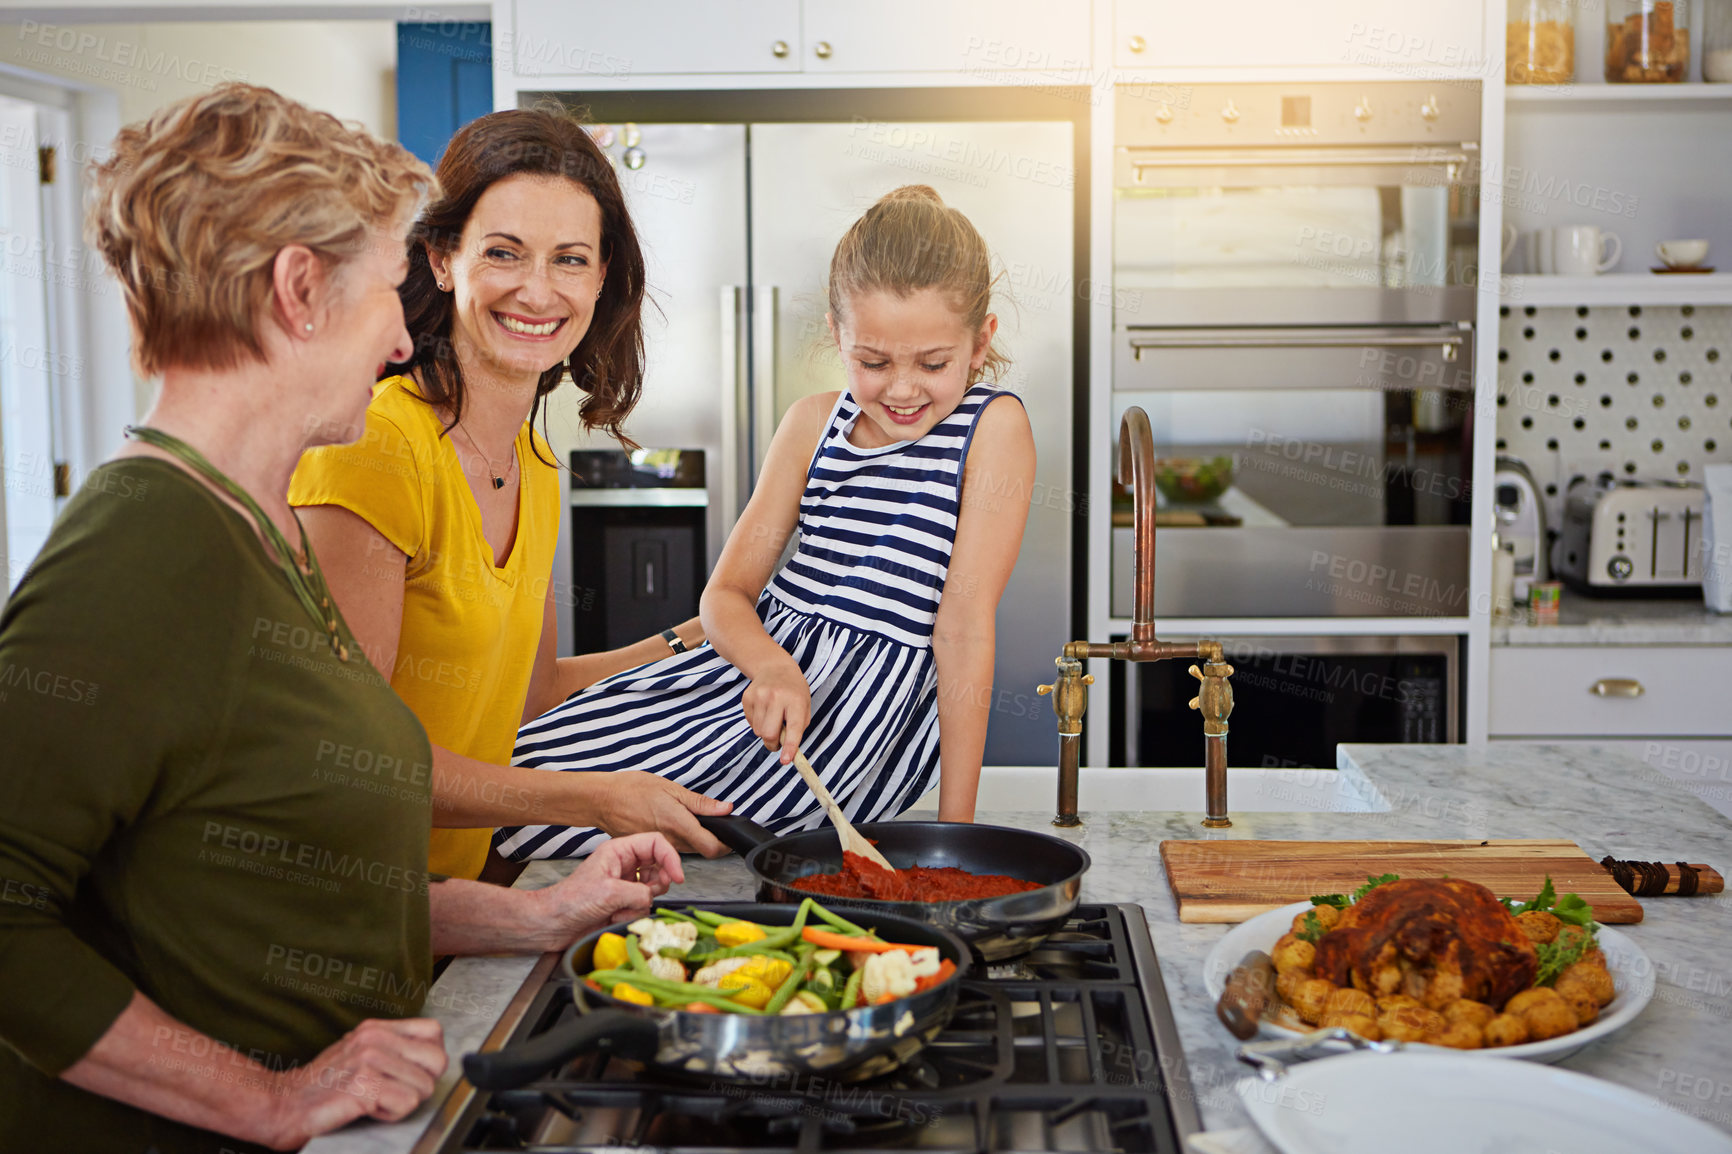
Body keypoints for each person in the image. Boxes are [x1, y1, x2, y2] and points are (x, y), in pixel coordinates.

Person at [0, 84, 682, 1154]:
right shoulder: (145, 538)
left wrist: (539, 914)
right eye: (389, 288)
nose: (403, 340)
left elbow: (305, 874)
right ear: (300, 288)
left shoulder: (255, 527)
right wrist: (265, 1099)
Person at [498, 185, 1037, 861]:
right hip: (749, 685)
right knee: (526, 776)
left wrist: (955, 839)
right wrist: (772, 669)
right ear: (837, 335)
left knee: (647, 833)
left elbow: (962, 629)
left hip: (848, 727)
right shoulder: (813, 423)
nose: (902, 390)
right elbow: (724, 598)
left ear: (980, 341)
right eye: (872, 363)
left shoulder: (993, 428)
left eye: (933, 364)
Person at [288, 108, 733, 883]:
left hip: (446, 909)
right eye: (503, 252)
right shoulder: (376, 450)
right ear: (440, 258)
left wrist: (696, 642)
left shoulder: (534, 461)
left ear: (600, 278)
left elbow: (525, 698)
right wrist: (593, 799)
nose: (537, 290)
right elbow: (350, 758)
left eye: (569, 259)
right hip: (328, 923)